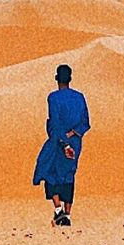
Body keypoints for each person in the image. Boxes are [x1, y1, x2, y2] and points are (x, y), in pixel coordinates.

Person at [33, 63, 90, 226]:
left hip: (58, 142)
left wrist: (64, 143)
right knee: (69, 174)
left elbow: (55, 123)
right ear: (70, 79)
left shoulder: (53, 97)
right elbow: (85, 123)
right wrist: (72, 135)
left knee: (49, 171)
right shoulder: (79, 97)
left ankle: (58, 210)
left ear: (57, 79)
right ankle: (67, 214)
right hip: (75, 141)